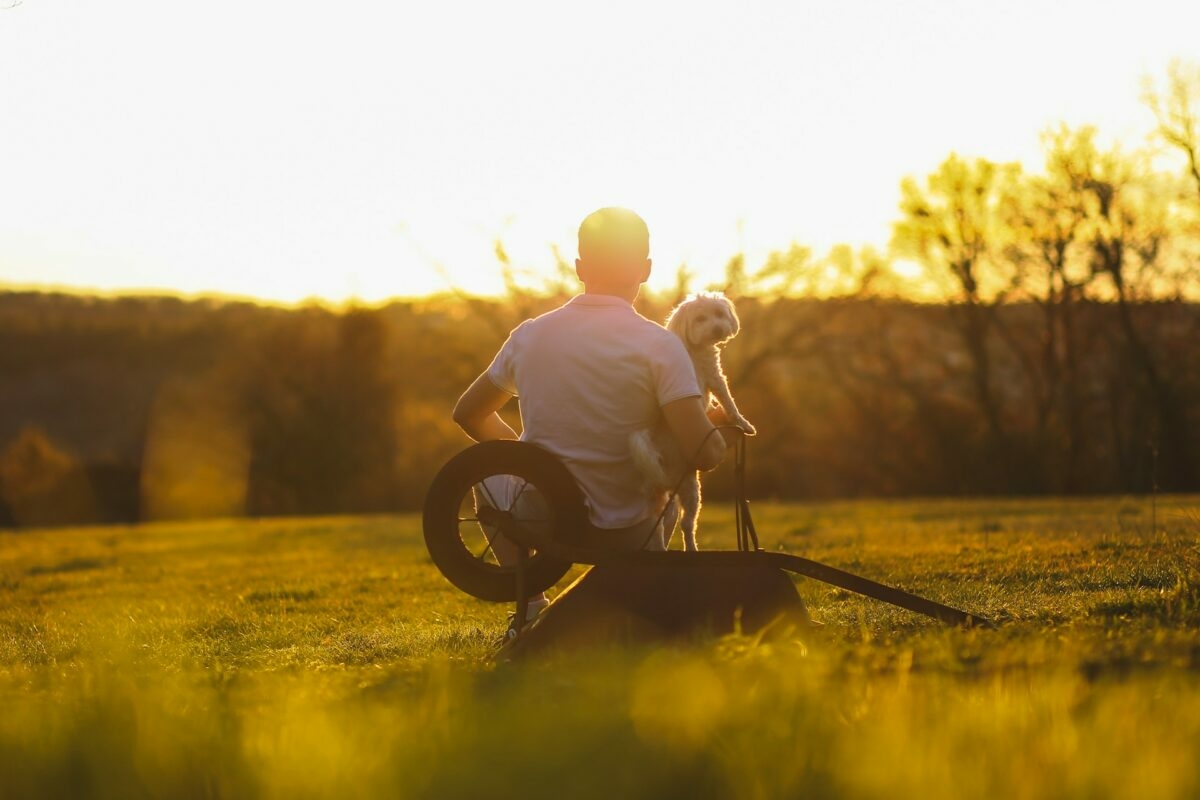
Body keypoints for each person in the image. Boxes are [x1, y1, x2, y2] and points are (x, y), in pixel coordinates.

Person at [452, 207, 737, 633]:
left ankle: (530, 604)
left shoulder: (530, 335)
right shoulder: (660, 345)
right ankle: (640, 595)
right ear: (645, 269)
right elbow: (702, 452)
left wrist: (527, 461)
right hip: (634, 528)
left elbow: (469, 413)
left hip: (546, 519)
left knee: (486, 480)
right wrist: (718, 426)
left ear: (580, 267)